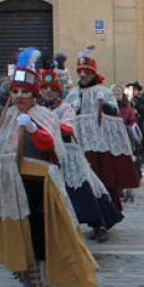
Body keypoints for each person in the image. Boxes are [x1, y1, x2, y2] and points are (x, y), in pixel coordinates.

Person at [0, 48, 100, 287]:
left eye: (24, 92)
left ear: (34, 93)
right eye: (15, 92)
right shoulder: (7, 116)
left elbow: (51, 146)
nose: (19, 97)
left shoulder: (44, 115)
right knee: (14, 239)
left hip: (38, 188)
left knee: (39, 241)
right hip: (10, 186)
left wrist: (32, 128)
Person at [33, 57, 122, 241]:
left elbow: (68, 126)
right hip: (46, 155)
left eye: (52, 89)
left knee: (82, 187)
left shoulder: (65, 107)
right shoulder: (43, 106)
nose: (48, 92)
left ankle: (98, 223)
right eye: (45, 89)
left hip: (69, 151)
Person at [64, 45, 141, 211]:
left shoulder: (104, 92)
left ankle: (105, 214)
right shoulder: (72, 94)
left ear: (93, 73)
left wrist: (104, 106)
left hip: (100, 144)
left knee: (102, 179)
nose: (83, 75)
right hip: (79, 144)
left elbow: (114, 111)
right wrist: (73, 110)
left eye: (87, 72)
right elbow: (65, 117)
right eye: (81, 72)